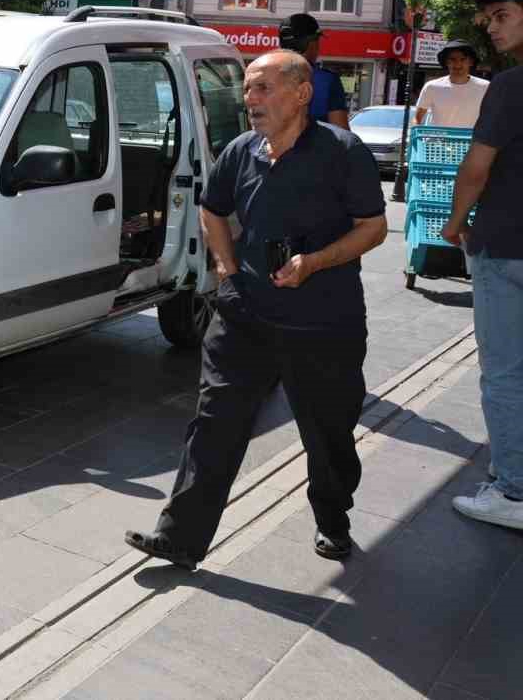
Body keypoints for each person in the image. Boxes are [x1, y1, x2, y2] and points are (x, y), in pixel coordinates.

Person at [124, 50, 388, 568]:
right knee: (214, 421)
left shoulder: (342, 151)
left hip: (323, 322)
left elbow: (373, 228)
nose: (251, 100)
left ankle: (332, 520)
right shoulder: (242, 151)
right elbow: (211, 209)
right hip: (245, 315)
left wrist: (313, 263)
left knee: (328, 431)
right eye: (247, 89)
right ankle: (180, 536)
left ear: (301, 94)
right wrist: (225, 269)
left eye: (263, 88)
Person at [444, 0, 523, 530]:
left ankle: (513, 492)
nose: (489, 27)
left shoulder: (512, 86)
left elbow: (476, 167)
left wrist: (453, 222)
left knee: (504, 373)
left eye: (500, 15)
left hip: (507, 244)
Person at [280, 13, 349, 126]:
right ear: (311, 43)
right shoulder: (328, 81)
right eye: (317, 41)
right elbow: (341, 133)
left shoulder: (263, 74)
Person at [414, 41, 488, 129]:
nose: (457, 64)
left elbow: (492, 116)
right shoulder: (431, 87)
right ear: (447, 62)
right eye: (452, 59)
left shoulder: (485, 87)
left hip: (471, 141)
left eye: (463, 59)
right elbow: (417, 118)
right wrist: (415, 134)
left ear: (471, 62)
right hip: (438, 141)